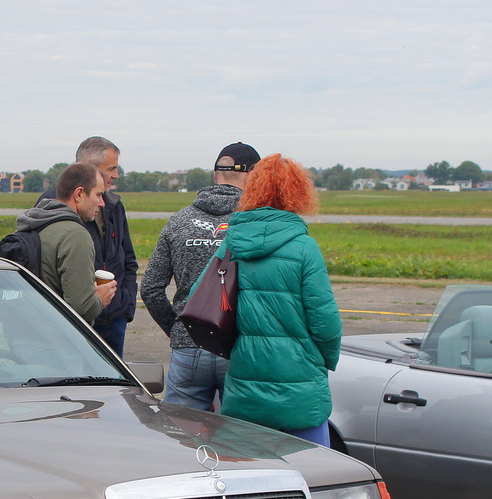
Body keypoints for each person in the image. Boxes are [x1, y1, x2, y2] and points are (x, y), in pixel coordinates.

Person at [215, 153, 342, 446]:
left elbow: (207, 299)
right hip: (300, 382)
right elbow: (326, 324)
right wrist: (323, 360)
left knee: (249, 481)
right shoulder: (304, 248)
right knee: (315, 475)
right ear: (299, 193)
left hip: (246, 376)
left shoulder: (231, 244)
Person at [139, 142, 261, 410]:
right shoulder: (258, 223)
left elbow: (150, 288)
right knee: (239, 441)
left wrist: (181, 328)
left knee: (182, 435)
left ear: (215, 176)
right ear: (254, 177)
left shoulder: (179, 220)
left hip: (189, 345)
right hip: (239, 348)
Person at [38, 137, 138, 355]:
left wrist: (125, 304)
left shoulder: (113, 203)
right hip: (74, 321)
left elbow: (128, 257)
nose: (116, 175)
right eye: (112, 169)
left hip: (113, 319)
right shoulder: (53, 203)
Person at [14, 162, 116, 325]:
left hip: (22, 330)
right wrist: (100, 299)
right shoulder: (75, 235)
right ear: (79, 194)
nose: (102, 203)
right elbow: (81, 306)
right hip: (54, 341)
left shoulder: (33, 223)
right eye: (98, 195)